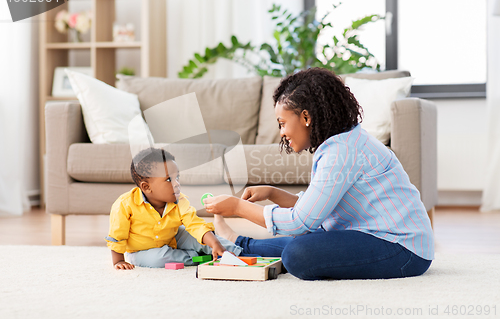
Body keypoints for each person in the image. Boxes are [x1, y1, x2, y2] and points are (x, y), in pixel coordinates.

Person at [204, 68, 435, 280]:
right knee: (308, 240)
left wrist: (237, 208)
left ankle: (238, 243)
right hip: (379, 237)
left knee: (298, 253)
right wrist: (272, 192)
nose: (282, 132)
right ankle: (236, 243)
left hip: (402, 249)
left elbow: (300, 222)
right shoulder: (339, 144)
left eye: (283, 123)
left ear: (306, 117)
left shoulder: (341, 152)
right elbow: (313, 211)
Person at [106, 148, 243, 270]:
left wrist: (214, 243)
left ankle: (236, 253)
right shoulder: (124, 205)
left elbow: (195, 224)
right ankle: (197, 256)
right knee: (159, 259)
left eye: (177, 177)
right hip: (141, 250)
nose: (177, 184)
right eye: (168, 180)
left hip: (173, 236)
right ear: (147, 187)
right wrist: (118, 261)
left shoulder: (179, 200)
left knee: (203, 237)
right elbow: (117, 236)